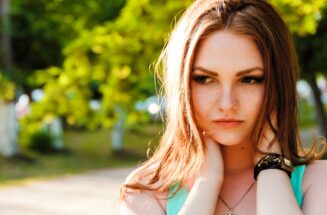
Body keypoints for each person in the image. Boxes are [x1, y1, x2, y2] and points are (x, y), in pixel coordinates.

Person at [119, 0, 327, 214]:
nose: (227, 104)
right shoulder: (147, 191)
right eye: (205, 79)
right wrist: (206, 182)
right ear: (181, 84)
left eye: (249, 79)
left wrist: (272, 167)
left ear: (278, 85)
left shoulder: (318, 183)